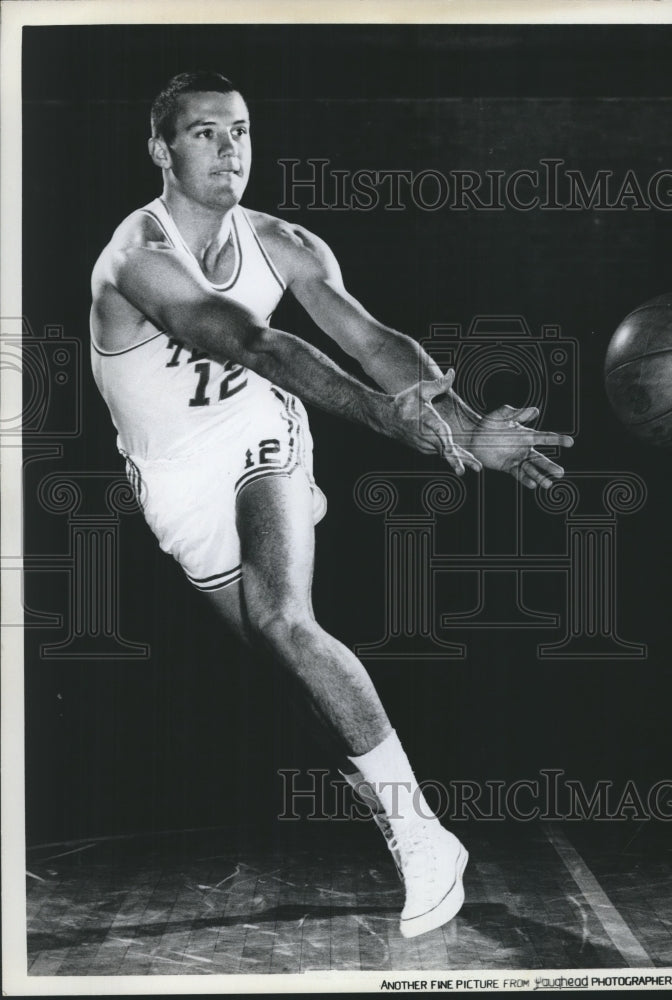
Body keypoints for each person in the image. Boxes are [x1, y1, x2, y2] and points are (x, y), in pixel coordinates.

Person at [90, 71, 574, 939]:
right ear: (161, 149)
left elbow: (371, 340)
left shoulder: (283, 241)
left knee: (284, 619)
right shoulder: (136, 257)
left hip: (258, 434)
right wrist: (390, 421)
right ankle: (399, 808)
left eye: (238, 131)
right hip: (171, 479)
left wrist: (466, 430)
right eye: (204, 133)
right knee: (291, 674)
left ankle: (423, 839)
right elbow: (249, 338)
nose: (228, 148)